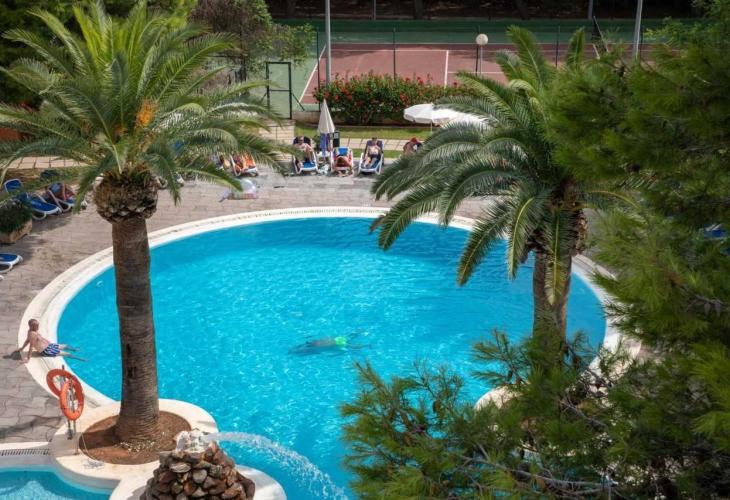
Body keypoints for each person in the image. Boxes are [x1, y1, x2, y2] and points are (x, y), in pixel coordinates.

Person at [17, 319, 85, 363]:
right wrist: (28, 359)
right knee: (66, 354)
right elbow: (31, 347)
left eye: (38, 325)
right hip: (46, 351)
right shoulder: (32, 334)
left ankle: (75, 350)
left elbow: (27, 340)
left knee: (66, 346)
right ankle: (80, 359)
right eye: (36, 326)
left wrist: (22, 348)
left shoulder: (31, 331)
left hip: (49, 346)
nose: (38, 327)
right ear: (31, 326)